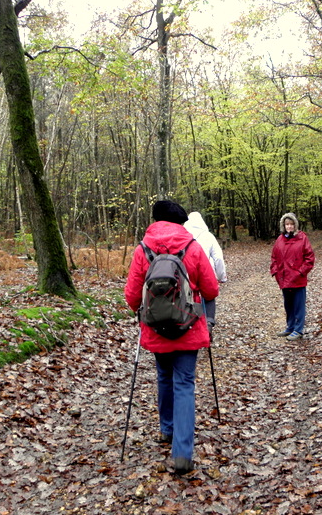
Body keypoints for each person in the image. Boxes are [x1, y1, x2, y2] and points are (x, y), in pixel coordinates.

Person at [124, 200, 219, 475]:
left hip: (156, 328)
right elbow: (211, 289)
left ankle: (166, 429)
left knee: (164, 376)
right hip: (188, 326)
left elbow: (131, 295)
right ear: (181, 222)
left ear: (155, 221)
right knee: (184, 383)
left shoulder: (143, 249)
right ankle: (182, 452)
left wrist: (143, 312)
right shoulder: (192, 246)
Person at [270, 212, 315, 340]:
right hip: (284, 278)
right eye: (287, 224)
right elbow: (274, 257)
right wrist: (275, 271)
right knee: (288, 305)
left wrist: (300, 272)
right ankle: (290, 327)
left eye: (291, 224)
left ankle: (298, 329)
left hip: (297, 279)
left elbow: (309, 258)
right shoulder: (280, 239)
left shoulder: (302, 238)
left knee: (298, 305)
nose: (289, 227)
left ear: (295, 225)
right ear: (283, 226)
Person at [184, 211, 227, 332]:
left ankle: (190, 323)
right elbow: (218, 258)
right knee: (209, 296)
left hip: (188, 274)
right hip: (206, 272)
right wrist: (221, 276)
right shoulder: (208, 236)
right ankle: (209, 321)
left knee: (190, 297)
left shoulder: (184, 236)